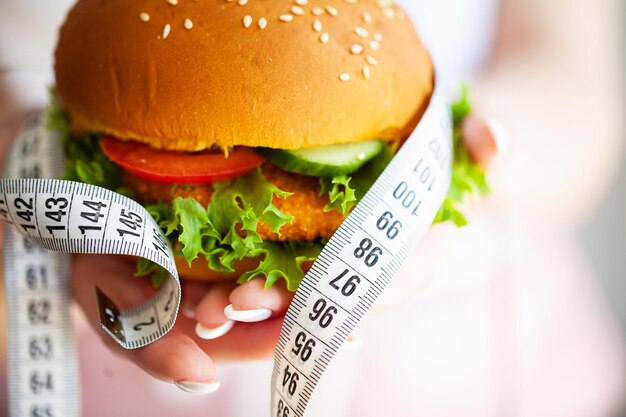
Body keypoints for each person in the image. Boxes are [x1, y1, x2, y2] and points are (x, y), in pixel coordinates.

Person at [1, 0, 625, 416]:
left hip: (488, 355)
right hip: (106, 363)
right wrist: (15, 139)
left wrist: (474, 143)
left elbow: (576, 82)